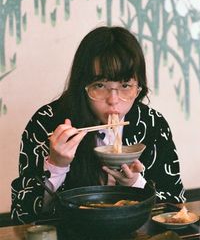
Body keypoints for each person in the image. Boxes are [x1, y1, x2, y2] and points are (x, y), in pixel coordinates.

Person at [11, 26, 186, 224]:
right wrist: (56, 166)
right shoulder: (47, 122)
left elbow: (176, 205)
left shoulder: (152, 124)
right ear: (82, 86)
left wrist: (135, 183)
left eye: (125, 86)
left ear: (139, 87)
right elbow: (23, 216)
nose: (113, 100)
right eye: (100, 86)